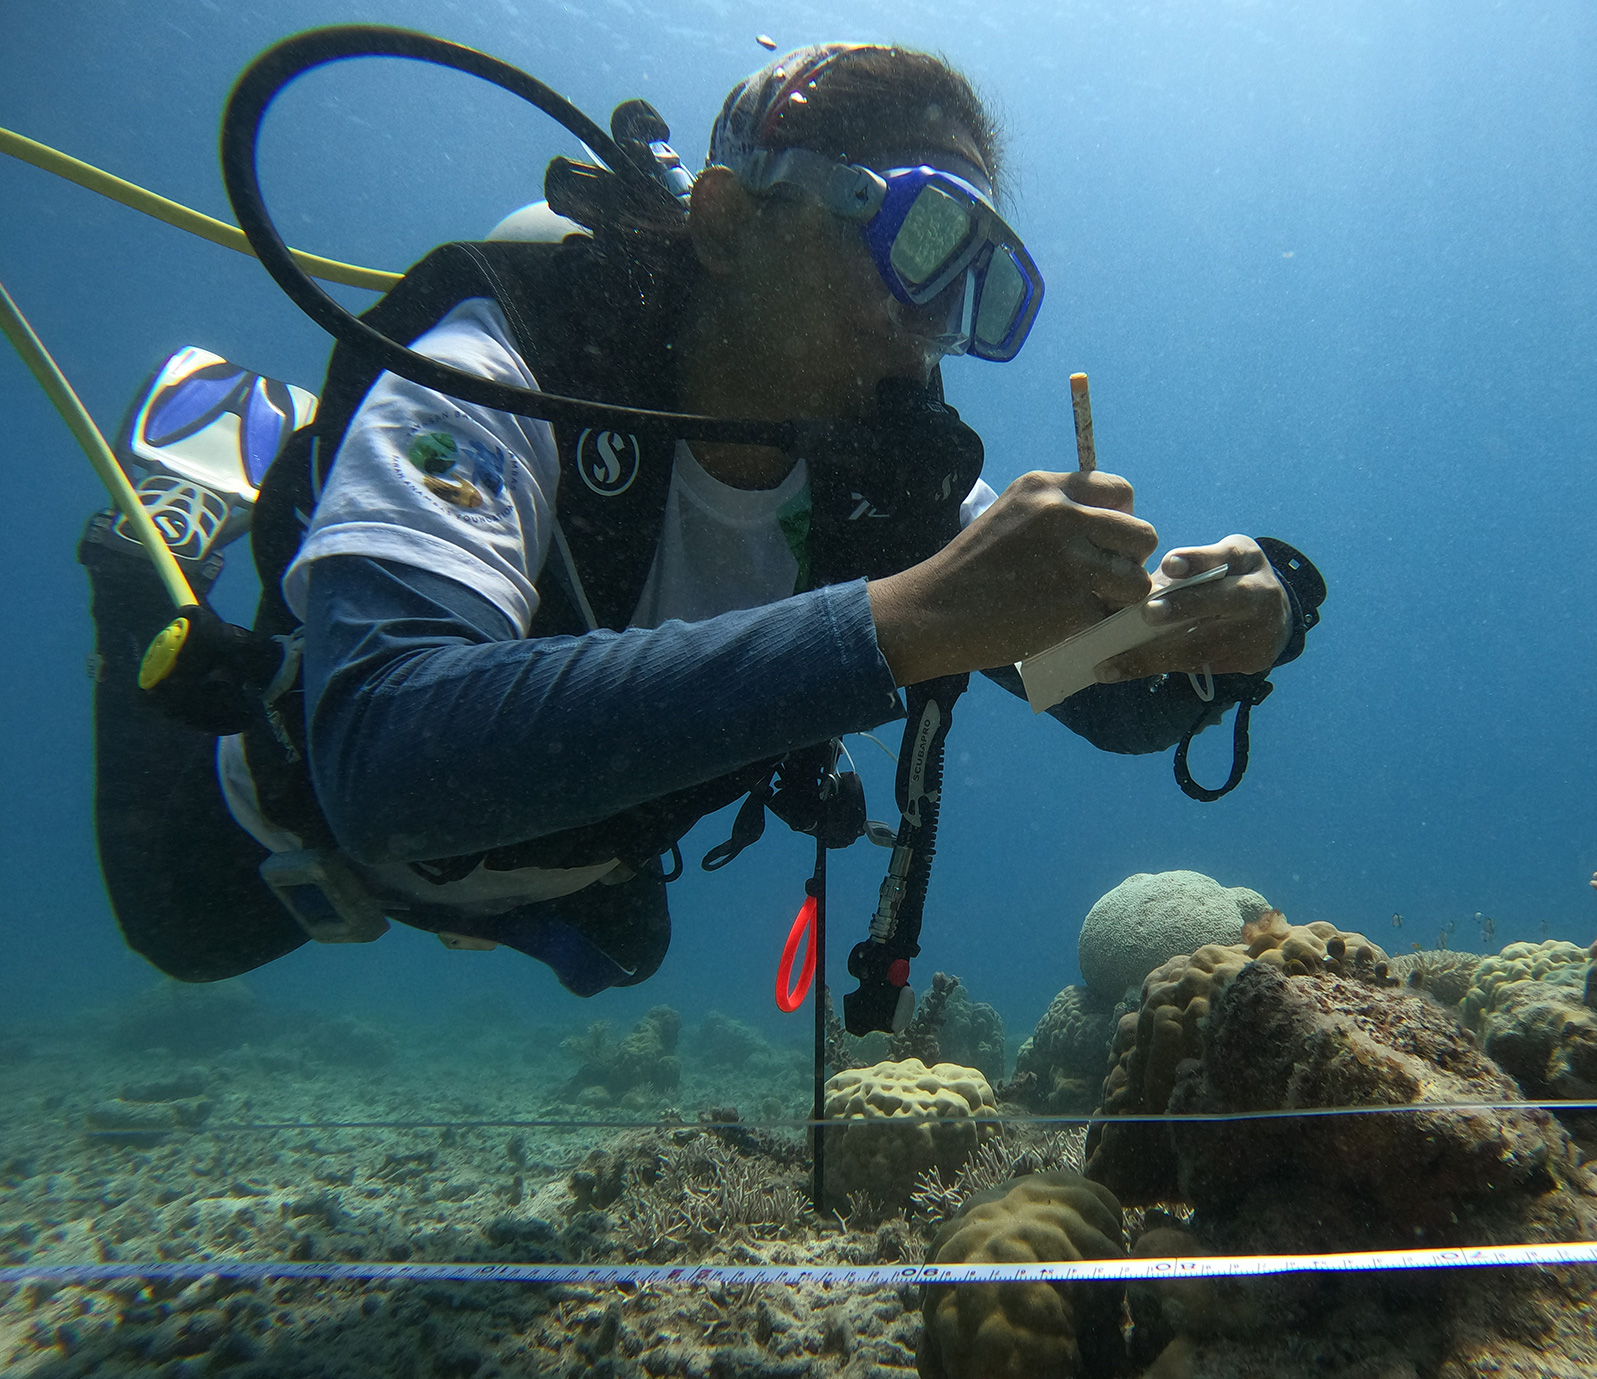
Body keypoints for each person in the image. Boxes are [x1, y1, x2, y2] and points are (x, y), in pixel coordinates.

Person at [78, 43, 1311, 1019]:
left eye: (977, 283)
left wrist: (1240, 627)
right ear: (726, 220)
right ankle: (157, 556)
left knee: (627, 943)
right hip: (327, 808)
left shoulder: (891, 484)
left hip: (569, 854)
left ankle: (359, 518)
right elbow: (384, 759)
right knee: (179, 930)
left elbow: (1096, 691)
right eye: (915, 240)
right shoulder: (504, 361)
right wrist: (904, 622)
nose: (931, 322)